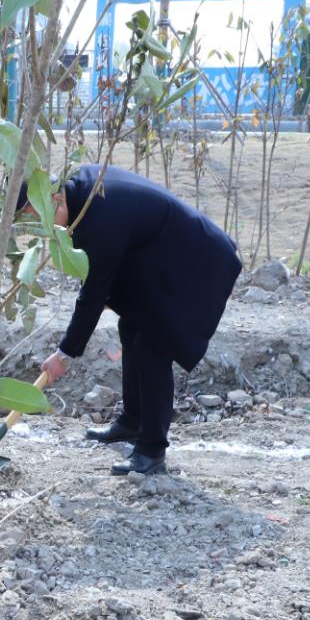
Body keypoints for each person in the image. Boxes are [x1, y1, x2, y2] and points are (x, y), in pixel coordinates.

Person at [27, 165, 242, 476]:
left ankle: (152, 451)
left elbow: (94, 292)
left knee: (152, 347)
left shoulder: (99, 216)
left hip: (199, 264)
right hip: (166, 259)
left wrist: (65, 354)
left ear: (56, 201)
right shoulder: (83, 193)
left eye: (39, 217)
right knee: (130, 326)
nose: (41, 227)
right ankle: (132, 421)